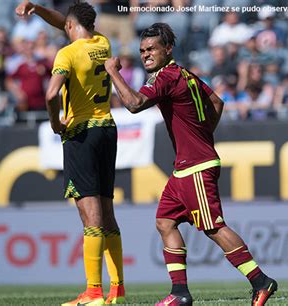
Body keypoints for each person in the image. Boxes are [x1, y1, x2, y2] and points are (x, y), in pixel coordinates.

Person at [105, 23, 278, 306]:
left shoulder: (166, 77)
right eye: (142, 51)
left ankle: (261, 281)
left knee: (213, 227)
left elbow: (134, 103)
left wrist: (113, 71)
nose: (146, 55)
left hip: (195, 166)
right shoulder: (184, 74)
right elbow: (217, 102)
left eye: (152, 49)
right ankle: (180, 293)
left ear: (168, 49)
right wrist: (203, 134)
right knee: (165, 221)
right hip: (185, 167)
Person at [15, 1, 125, 305]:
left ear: (69, 26)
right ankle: (117, 288)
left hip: (81, 134)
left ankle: (93, 292)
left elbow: (51, 94)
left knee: (90, 217)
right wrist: (37, 9)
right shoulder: (102, 43)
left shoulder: (67, 54)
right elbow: (69, 23)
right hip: (108, 130)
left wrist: (54, 122)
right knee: (107, 214)